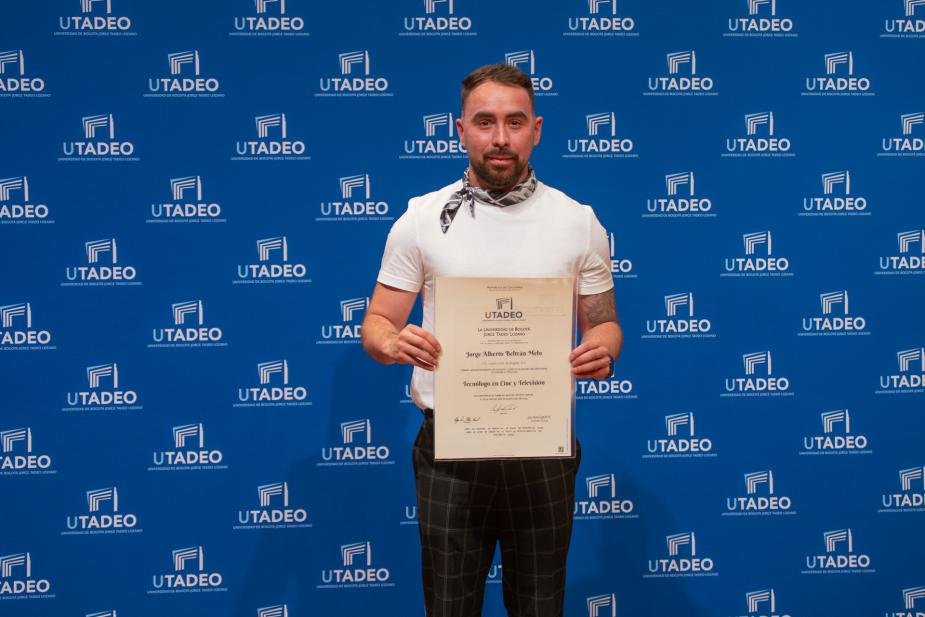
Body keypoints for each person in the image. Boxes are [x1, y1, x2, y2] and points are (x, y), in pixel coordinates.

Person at [361, 63, 623, 617]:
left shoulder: (579, 222)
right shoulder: (420, 219)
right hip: (450, 452)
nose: (500, 137)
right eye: (485, 122)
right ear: (460, 130)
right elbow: (377, 322)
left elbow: (604, 323)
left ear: (537, 130)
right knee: (449, 607)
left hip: (542, 448)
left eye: (515, 121)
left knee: (540, 607)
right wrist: (393, 343)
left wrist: (605, 348)